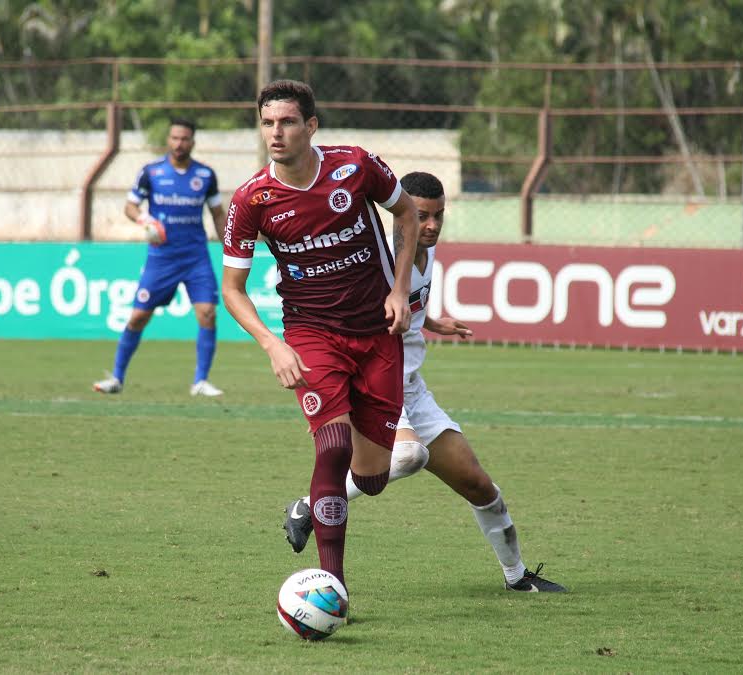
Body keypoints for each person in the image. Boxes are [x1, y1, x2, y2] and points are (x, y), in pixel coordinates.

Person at [281, 171, 566, 593]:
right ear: (399, 211)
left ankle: (516, 576)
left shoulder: (424, 253)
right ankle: (309, 505)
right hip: (378, 382)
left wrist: (432, 321)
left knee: (479, 485)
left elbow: (408, 304)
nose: (430, 225)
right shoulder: (373, 261)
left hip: (414, 389)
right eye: (420, 215)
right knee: (409, 454)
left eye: (438, 216)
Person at [222, 80, 421, 591]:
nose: (275, 132)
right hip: (311, 334)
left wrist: (399, 289)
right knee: (331, 445)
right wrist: (272, 343)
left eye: (287, 122)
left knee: (373, 477)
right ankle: (332, 587)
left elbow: (406, 213)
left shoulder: (355, 166)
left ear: (311, 126)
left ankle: (311, 505)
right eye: (267, 123)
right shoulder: (252, 200)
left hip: (376, 333)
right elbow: (233, 289)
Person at [93, 118, 227, 397]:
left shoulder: (205, 175)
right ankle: (116, 378)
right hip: (161, 258)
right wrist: (145, 219)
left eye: (185, 139)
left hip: (195, 257)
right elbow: (130, 206)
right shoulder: (151, 172)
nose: (179, 144)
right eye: (175, 138)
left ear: (193, 142)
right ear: (169, 140)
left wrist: (229, 243)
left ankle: (200, 381)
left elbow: (216, 213)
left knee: (207, 313)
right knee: (138, 317)